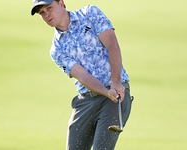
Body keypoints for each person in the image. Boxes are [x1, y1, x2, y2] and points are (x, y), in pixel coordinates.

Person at [31, 0, 133, 149]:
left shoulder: (90, 13)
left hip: (116, 95)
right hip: (86, 101)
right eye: (41, 13)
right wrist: (105, 92)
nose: (47, 15)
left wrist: (115, 82)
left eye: (49, 8)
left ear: (61, 3)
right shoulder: (57, 49)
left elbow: (112, 45)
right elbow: (83, 76)